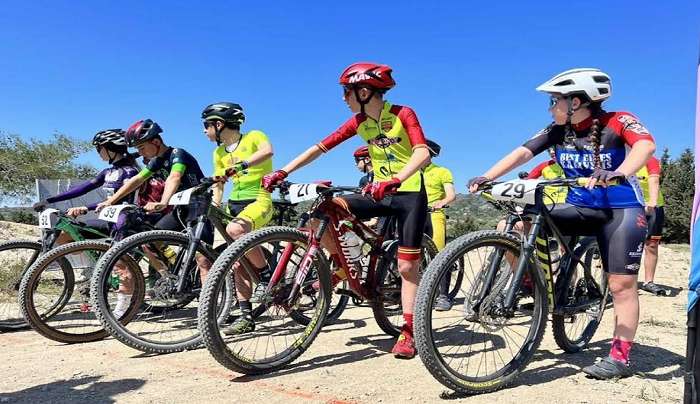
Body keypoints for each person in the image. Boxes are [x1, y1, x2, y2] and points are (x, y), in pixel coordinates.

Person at [468, 68, 656, 379]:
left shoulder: (617, 121)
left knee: (620, 285)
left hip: (620, 211)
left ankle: (620, 357)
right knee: (516, 224)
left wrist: (620, 172)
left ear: (577, 102)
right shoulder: (557, 129)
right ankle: (531, 281)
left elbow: (645, 146)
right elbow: (522, 152)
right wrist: (489, 176)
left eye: (554, 101)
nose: (550, 107)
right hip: (580, 206)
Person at [262, 62, 431, 358]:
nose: (343, 98)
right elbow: (320, 147)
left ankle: (409, 331)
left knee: (406, 266)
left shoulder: (403, 114)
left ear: (364, 91)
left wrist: (397, 179)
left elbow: (422, 152)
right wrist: (283, 171)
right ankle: (342, 265)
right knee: (324, 211)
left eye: (346, 91)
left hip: (408, 193)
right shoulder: (359, 121)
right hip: (379, 193)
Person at [95, 119, 213, 283]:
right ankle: (169, 280)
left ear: (156, 142)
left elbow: (175, 177)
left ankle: (207, 304)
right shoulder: (156, 161)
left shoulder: (178, 154)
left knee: (203, 260)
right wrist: (110, 201)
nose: (140, 152)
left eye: (142, 147)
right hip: (180, 209)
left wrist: (164, 202)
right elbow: (136, 180)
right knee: (150, 240)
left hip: (198, 207)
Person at [201, 102, 275, 335]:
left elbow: (268, 151)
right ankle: (246, 317)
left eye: (206, 125)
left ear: (219, 124)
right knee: (236, 261)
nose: (204, 131)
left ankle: (266, 276)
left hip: (260, 198)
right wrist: (214, 205)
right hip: (234, 203)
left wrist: (239, 166)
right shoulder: (218, 152)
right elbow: (219, 185)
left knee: (235, 231)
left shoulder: (254, 136)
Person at [33, 129, 140, 243]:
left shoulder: (130, 172)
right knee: (65, 234)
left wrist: (86, 208)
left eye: (99, 148)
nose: (98, 152)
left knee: (118, 258)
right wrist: (48, 201)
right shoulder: (107, 172)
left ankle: (116, 260)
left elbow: (120, 201)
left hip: (124, 220)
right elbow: (81, 189)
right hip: (110, 220)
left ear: (110, 148)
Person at [422, 139, 456, 311]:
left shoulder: (442, 171)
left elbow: (451, 195)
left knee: (439, 255)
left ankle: (443, 295)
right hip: (416, 214)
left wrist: (441, 203)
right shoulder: (411, 172)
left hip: (434, 213)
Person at [637, 156, 666, 295]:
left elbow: (654, 180)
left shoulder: (650, 160)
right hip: (632, 207)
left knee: (652, 245)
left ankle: (648, 281)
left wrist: (652, 202)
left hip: (653, 207)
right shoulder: (622, 159)